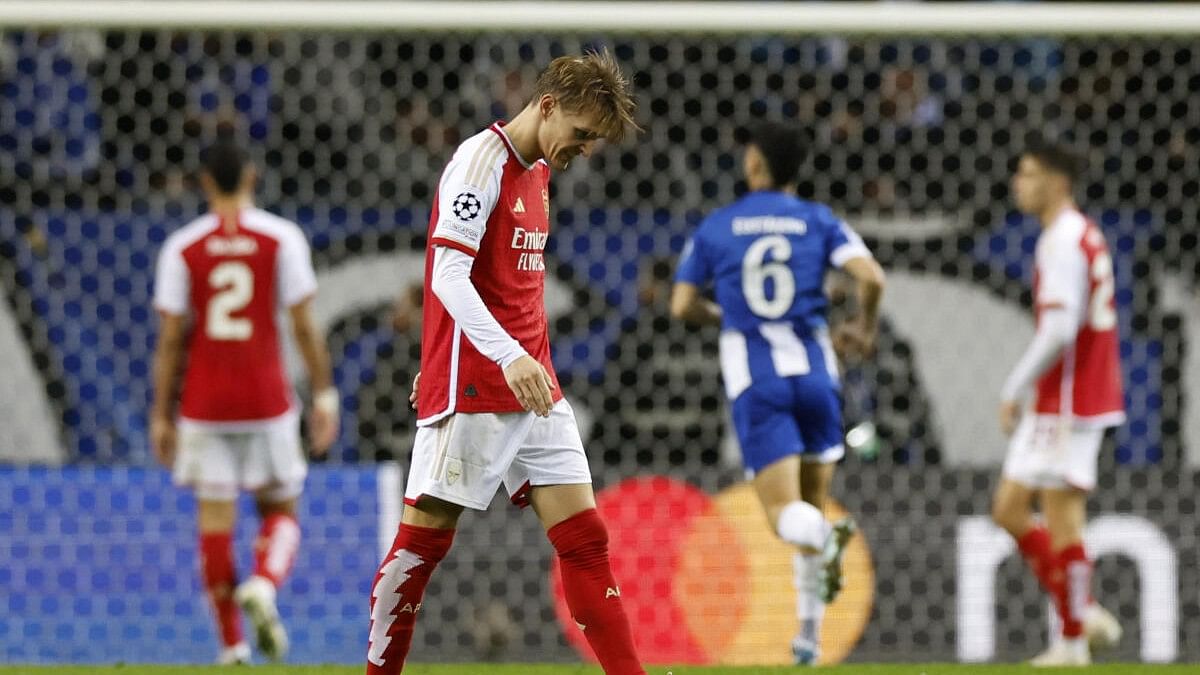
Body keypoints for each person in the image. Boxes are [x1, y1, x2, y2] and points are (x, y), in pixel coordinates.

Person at [365, 51, 644, 674]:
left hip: (534, 385)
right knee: (419, 552)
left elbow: (510, 284)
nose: (586, 150)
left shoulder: (538, 170)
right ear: (547, 107)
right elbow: (447, 274)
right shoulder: (478, 162)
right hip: (478, 388)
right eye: (582, 135)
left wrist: (514, 356)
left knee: (585, 541)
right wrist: (488, 356)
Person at [670, 120, 884, 666]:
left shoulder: (718, 227)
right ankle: (809, 637)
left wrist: (722, 315)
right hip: (817, 377)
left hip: (758, 380)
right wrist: (864, 327)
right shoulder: (819, 220)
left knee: (785, 515)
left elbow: (681, 305)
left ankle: (827, 538)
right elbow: (873, 278)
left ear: (755, 165)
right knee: (809, 507)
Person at [150, 132, 338, 664]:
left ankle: (232, 645)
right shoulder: (282, 239)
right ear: (252, 176)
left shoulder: (182, 248)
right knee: (281, 510)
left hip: (205, 407)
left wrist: (161, 413)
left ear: (204, 182)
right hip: (265, 402)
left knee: (215, 526)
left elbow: (170, 341)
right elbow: (303, 327)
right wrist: (324, 395)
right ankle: (264, 582)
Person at [989, 137, 1124, 667]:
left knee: (1052, 518)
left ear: (1057, 181)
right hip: (1073, 398)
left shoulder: (1062, 239)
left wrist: (1013, 386)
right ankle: (1080, 617)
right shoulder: (1079, 233)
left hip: (1067, 401)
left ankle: (1073, 638)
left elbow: (1060, 328)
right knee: (1010, 510)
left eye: (1028, 174)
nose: (1018, 184)